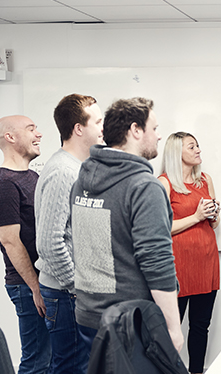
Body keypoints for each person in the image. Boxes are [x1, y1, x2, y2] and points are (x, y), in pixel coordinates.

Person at [70, 97, 183, 353]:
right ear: (135, 130)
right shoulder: (144, 186)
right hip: (129, 322)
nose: (158, 136)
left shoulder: (83, 180)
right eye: (154, 129)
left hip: (89, 317)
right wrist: (173, 329)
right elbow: (156, 260)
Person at [34, 94, 103, 374]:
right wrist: (79, 289)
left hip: (70, 293)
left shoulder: (77, 167)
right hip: (66, 294)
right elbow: (49, 243)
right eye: (98, 121)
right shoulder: (64, 172)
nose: (103, 128)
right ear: (78, 128)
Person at [0, 115, 51, 374]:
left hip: (43, 284)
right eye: (31, 129)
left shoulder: (31, 177)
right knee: (36, 362)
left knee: (49, 360)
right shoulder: (3, 185)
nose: (39, 134)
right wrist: (36, 288)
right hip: (27, 288)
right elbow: (10, 242)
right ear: (10, 137)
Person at [158, 132, 221, 374]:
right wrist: (196, 216)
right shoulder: (163, 183)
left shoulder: (205, 179)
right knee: (171, 329)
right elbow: (160, 226)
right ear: (177, 153)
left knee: (200, 325)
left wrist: (213, 214)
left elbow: (214, 224)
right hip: (177, 267)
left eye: (198, 145)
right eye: (192, 146)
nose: (198, 150)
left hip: (206, 261)